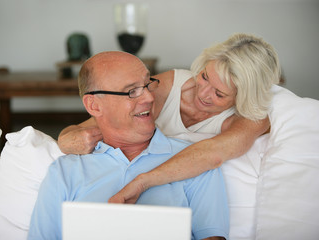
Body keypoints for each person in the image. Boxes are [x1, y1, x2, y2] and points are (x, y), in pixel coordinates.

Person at [57, 33, 281, 204]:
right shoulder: (169, 85)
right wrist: (66, 140)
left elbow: (213, 154)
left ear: (243, 96)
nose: (203, 93)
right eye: (204, 77)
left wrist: (142, 182)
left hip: (172, 195)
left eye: (219, 93)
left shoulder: (251, 117)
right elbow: (84, 127)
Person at [27, 51, 229, 240]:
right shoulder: (64, 171)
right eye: (132, 91)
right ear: (94, 105)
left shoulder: (196, 161)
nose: (150, 97)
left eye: (148, 84)